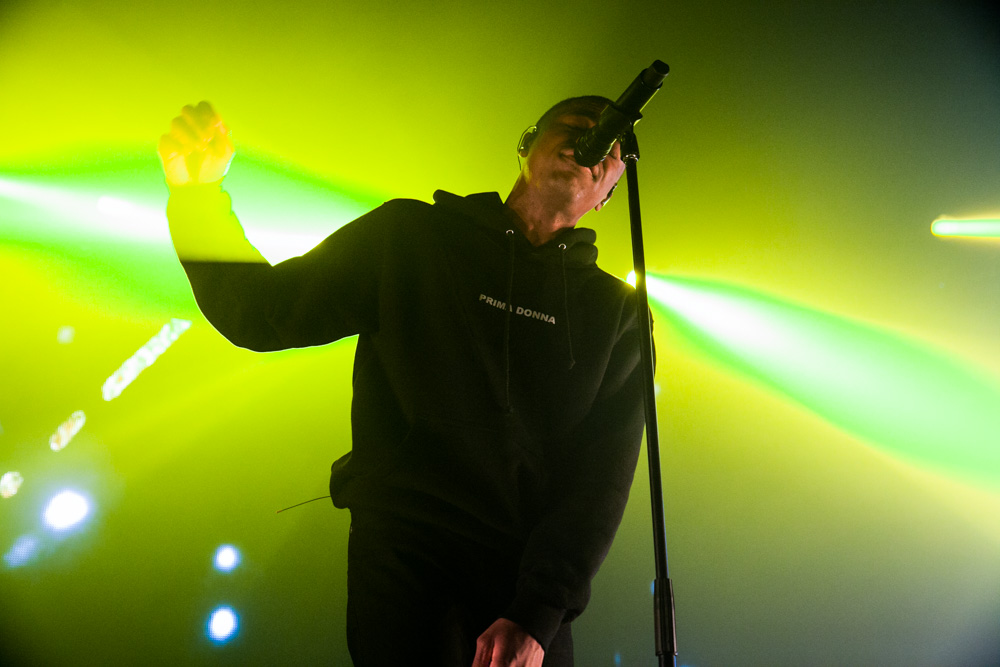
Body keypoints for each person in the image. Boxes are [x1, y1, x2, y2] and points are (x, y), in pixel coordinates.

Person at [159, 95, 646, 667]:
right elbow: (263, 312)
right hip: (406, 561)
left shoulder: (616, 313)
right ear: (526, 146)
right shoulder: (411, 237)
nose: (587, 144)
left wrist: (538, 615)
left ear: (611, 190)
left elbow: (599, 484)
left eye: (608, 145)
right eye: (572, 127)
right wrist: (197, 199)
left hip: (523, 595)